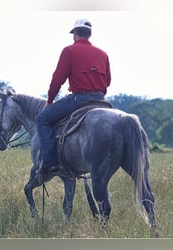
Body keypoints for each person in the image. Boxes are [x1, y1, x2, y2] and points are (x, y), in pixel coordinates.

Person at [36, 18, 111, 174]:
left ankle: (50, 163)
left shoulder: (69, 51)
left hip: (80, 99)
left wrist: (50, 100)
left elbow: (58, 79)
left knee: (42, 119)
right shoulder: (103, 54)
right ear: (89, 34)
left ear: (75, 33)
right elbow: (108, 81)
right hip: (101, 100)